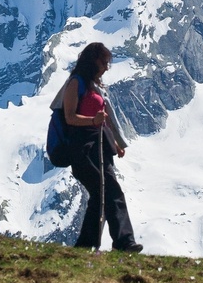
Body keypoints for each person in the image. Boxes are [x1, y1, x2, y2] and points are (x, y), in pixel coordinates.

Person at [60, 42, 142, 252]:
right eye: (104, 62)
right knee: (110, 192)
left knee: (101, 196)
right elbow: (70, 117)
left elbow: (103, 120)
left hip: (100, 146)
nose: (106, 67)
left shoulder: (94, 86)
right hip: (83, 149)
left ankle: (86, 245)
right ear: (92, 61)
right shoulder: (75, 83)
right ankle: (124, 242)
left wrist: (115, 143)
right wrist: (92, 121)